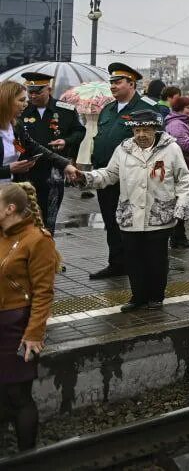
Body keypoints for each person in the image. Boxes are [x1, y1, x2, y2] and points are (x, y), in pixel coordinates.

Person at [76, 110, 189, 311]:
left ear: (155, 129)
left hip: (159, 215)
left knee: (156, 260)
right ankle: (138, 297)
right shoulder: (124, 149)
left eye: (146, 130)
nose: (141, 134)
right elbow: (110, 174)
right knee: (133, 259)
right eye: (137, 130)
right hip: (130, 216)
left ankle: (156, 297)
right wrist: (86, 177)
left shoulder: (171, 149)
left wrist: (181, 207)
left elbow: (183, 180)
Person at [0, 182, 57, 451]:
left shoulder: (38, 240)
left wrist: (34, 333)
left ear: (10, 209)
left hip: (15, 325)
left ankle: (27, 455)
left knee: (18, 394)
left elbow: (44, 292)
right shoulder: (1, 234)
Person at [86, 63, 153, 279]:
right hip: (106, 175)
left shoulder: (145, 108)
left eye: (118, 82)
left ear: (132, 84)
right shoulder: (108, 109)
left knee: (133, 221)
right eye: (112, 82)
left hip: (132, 177)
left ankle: (136, 264)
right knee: (111, 220)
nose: (113, 86)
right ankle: (116, 263)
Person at [17, 72, 85, 235]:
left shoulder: (65, 110)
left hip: (53, 170)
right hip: (26, 170)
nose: (33, 96)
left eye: (37, 92)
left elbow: (79, 131)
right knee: (25, 218)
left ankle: (46, 253)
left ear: (49, 89)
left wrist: (66, 141)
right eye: (30, 91)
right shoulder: (22, 110)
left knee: (48, 219)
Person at [163, 97, 189, 249]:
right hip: (181, 167)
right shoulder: (177, 124)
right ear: (180, 108)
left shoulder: (179, 122)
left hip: (183, 166)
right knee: (180, 200)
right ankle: (177, 238)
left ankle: (180, 236)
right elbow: (183, 146)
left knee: (182, 200)